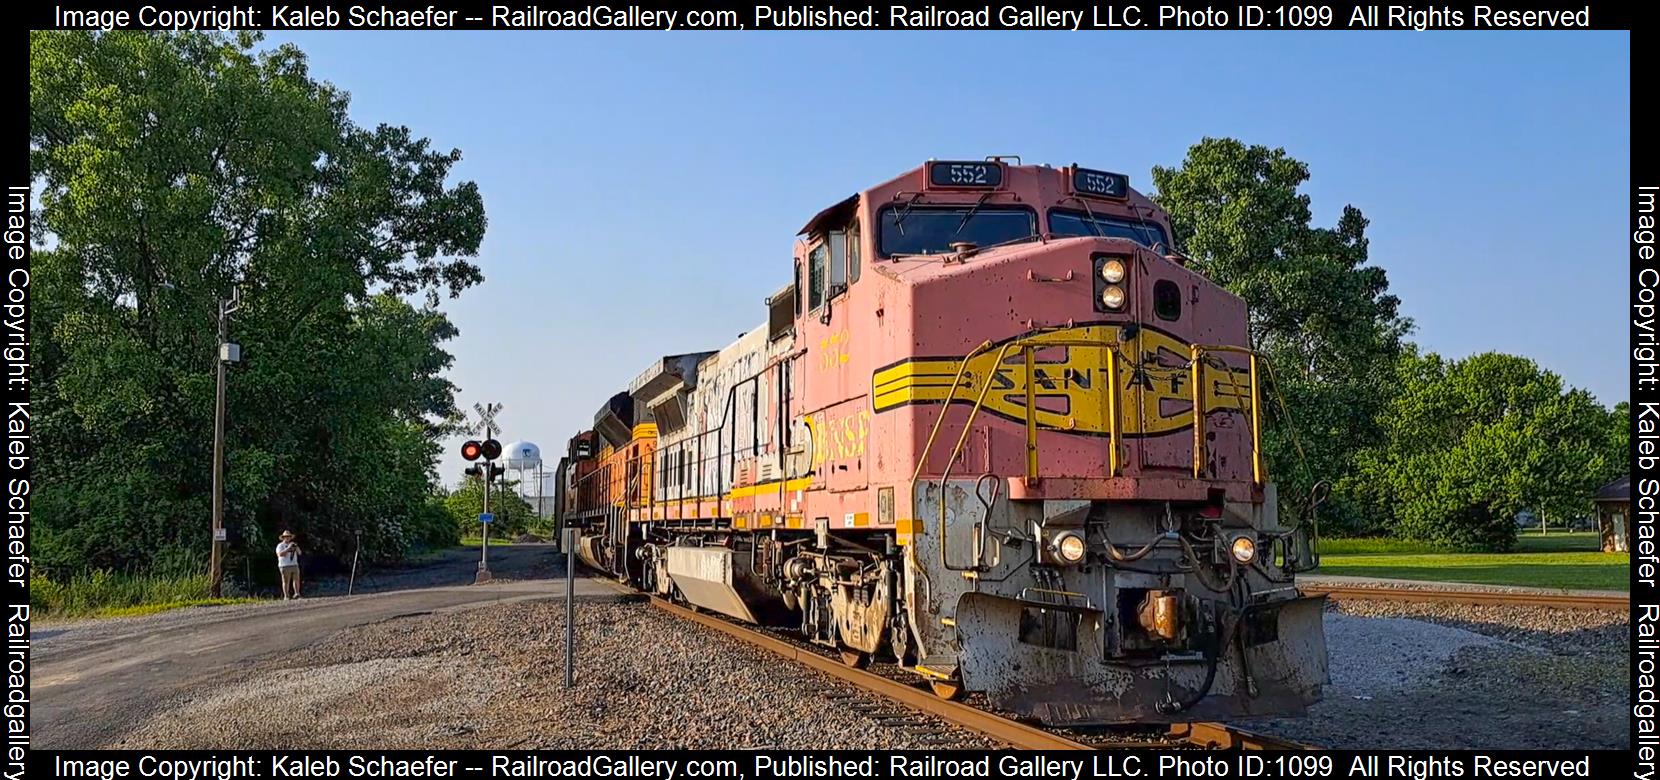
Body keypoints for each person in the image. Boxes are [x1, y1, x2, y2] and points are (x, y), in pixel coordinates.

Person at [276, 530, 302, 600]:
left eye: (289, 536)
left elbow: (299, 553)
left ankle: (297, 593)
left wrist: (296, 547)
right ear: (283, 538)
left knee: (296, 579)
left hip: (294, 564)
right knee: (286, 581)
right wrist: (288, 548)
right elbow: (280, 554)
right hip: (284, 565)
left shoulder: (293, 544)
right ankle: (286, 595)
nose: (287, 538)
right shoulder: (280, 545)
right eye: (286, 537)